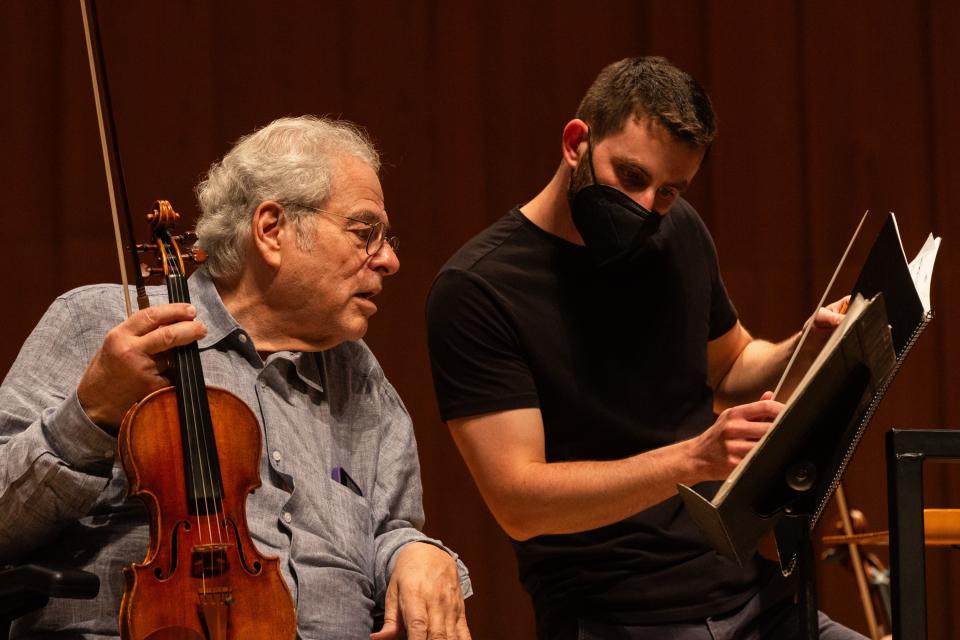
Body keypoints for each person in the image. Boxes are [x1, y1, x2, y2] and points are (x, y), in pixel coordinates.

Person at [426, 57, 861, 639]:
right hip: (618, 618)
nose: (647, 206)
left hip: (753, 597)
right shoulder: (479, 288)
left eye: (668, 191)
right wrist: (693, 460)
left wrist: (803, 348)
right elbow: (519, 503)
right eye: (631, 178)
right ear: (576, 142)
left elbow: (731, 366)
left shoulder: (678, 231)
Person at [0, 116, 471, 640]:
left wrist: (417, 552)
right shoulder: (106, 323)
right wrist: (90, 415)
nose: (390, 259)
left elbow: (389, 528)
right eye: (366, 233)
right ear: (271, 230)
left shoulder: (357, 373)